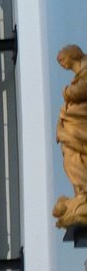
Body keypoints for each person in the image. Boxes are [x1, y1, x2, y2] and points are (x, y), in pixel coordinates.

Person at [53, 45, 87, 227]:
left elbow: (82, 91)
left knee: (74, 158)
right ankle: (81, 194)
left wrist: (66, 92)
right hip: (76, 124)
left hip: (81, 124)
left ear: (71, 56)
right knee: (71, 158)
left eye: (62, 60)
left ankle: (83, 194)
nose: (62, 64)